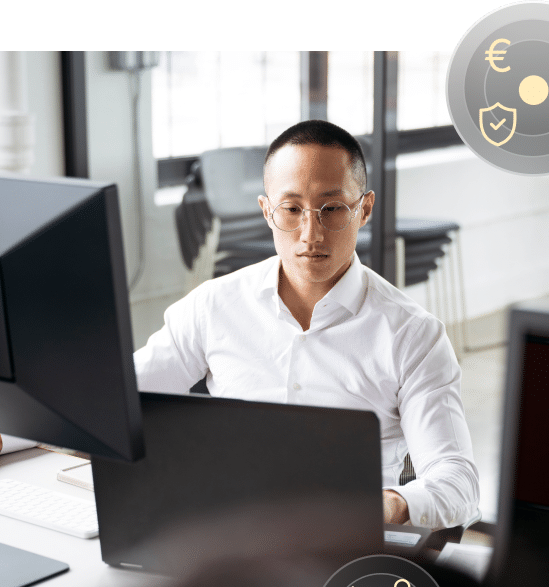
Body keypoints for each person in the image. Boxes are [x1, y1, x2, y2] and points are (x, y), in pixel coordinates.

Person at [134, 120, 478, 529]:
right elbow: (125, 402)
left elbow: (458, 484)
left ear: (364, 209)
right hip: (223, 536)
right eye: (292, 210)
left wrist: (388, 505)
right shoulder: (213, 306)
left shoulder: (413, 335)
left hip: (341, 544)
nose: (310, 233)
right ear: (267, 212)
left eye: (331, 209)